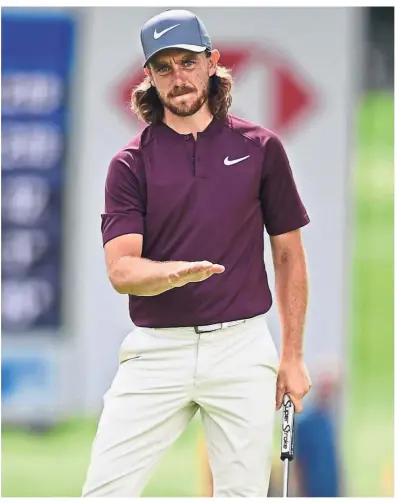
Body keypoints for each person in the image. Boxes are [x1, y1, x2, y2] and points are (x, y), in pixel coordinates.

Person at [82, 8, 312, 498]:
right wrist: (174, 274)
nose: (178, 77)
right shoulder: (130, 163)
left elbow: (289, 254)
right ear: (149, 77)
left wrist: (292, 355)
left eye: (187, 61)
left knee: (241, 496)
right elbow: (121, 270)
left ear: (212, 62)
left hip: (242, 348)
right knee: (103, 492)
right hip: (157, 350)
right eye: (163, 67)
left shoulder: (260, 148)